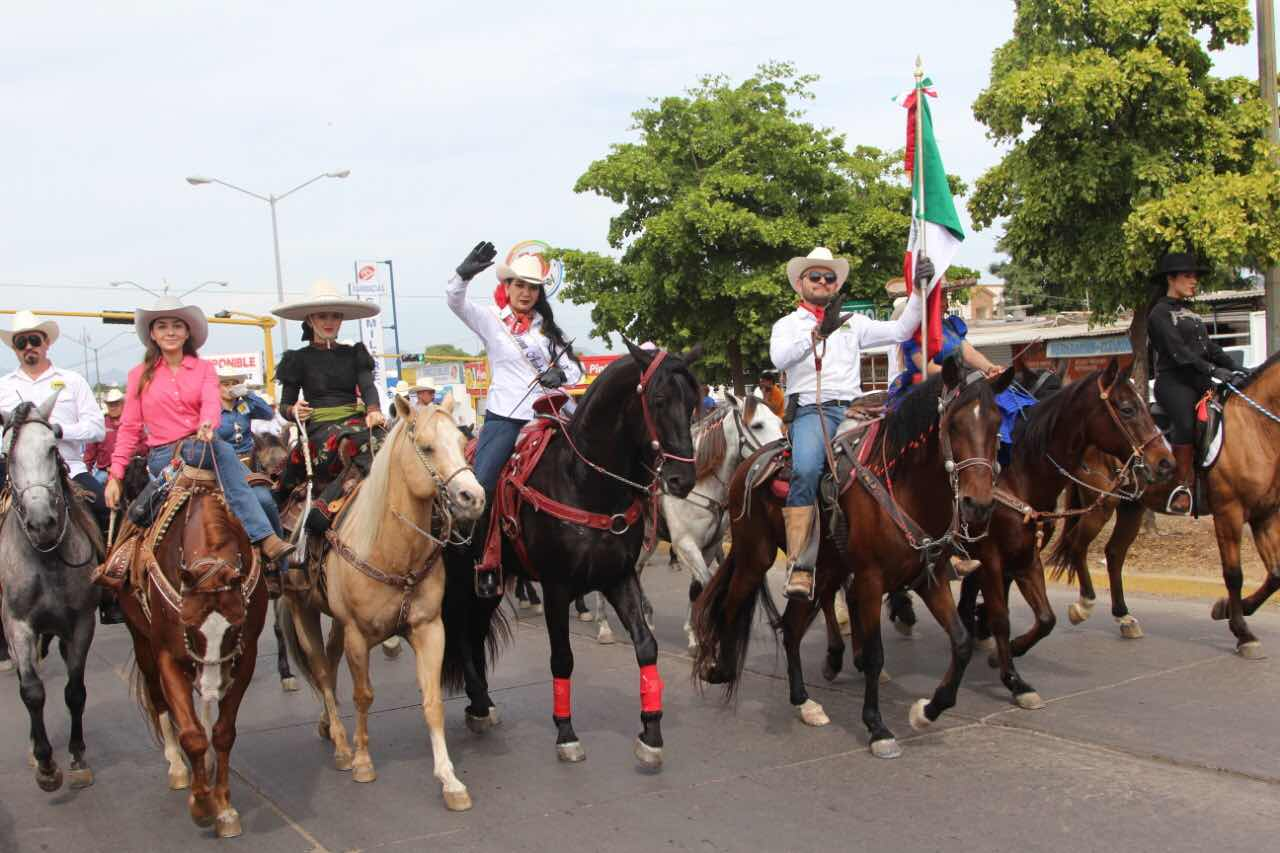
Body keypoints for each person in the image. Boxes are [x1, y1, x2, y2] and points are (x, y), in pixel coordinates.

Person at [770, 247, 928, 600]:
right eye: (816, 277)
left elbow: (902, 329)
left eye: (829, 278)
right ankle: (802, 564)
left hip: (857, 409)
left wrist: (917, 293)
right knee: (808, 470)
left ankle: (927, 547)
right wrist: (816, 335)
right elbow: (779, 358)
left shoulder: (853, 322)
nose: (823, 282)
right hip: (812, 411)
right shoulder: (786, 325)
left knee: (906, 454)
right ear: (800, 284)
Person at [103, 294, 295, 564]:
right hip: (167, 455)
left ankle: (280, 570)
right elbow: (129, 429)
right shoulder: (138, 375)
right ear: (153, 334)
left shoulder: (204, 369)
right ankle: (265, 538)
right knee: (219, 450)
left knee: (263, 498)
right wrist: (115, 477)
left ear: (187, 332)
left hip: (207, 445)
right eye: (162, 326)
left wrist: (207, 424)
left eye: (177, 326)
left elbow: (209, 403)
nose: (170, 331)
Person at [447, 241, 583, 597]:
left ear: (540, 293)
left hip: (551, 416)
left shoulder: (549, 329)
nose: (525, 292)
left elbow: (573, 369)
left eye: (532, 287)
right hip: (507, 417)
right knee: (481, 487)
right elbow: (455, 302)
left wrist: (561, 377)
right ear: (507, 288)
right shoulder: (491, 320)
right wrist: (463, 275)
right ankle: (484, 559)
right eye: (519, 285)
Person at [0, 311, 117, 622]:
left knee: (107, 508)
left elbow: (96, 427)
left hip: (70, 468)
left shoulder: (72, 381)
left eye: (34, 340)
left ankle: (110, 590)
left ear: (46, 343)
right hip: (19, 474)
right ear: (15, 348)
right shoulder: (4, 387)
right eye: (21, 342)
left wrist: (61, 431)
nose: (29, 347)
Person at [271, 280, 387, 587]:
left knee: (388, 443)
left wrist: (373, 408)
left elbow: (369, 386)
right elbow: (284, 405)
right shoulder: (298, 359)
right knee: (351, 443)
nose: (329, 322)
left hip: (357, 419)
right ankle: (323, 506)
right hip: (320, 428)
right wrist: (294, 411)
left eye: (334, 316)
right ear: (310, 320)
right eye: (322, 317)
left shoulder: (355, 354)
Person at [1147, 252, 1246, 514]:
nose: (1194, 281)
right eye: (1188, 276)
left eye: (1195, 277)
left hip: (1199, 382)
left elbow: (1209, 348)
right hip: (1173, 383)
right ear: (1171, 278)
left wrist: (1236, 368)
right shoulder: (1159, 313)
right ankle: (1182, 487)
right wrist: (1213, 370)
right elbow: (1179, 353)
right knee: (1188, 423)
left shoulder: (1190, 313)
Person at [84, 387, 127, 485]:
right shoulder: (100, 425)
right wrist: (86, 473)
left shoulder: (131, 422)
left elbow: (144, 446)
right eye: (110, 404)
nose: (113, 407)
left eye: (116, 403)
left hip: (130, 470)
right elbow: (89, 453)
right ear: (106, 405)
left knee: (154, 488)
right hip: (105, 472)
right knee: (93, 494)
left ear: (122, 404)